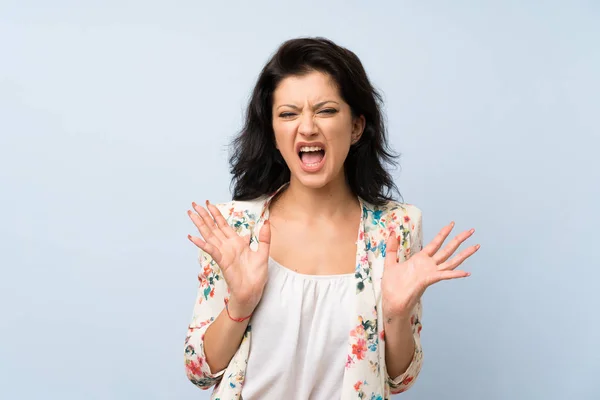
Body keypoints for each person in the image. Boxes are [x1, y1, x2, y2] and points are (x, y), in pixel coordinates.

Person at [184, 37, 479, 399]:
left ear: (356, 127)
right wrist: (240, 304)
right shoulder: (234, 228)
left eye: (325, 111)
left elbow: (399, 380)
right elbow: (199, 372)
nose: (306, 128)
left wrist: (395, 315)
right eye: (288, 114)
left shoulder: (396, 228)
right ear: (274, 133)